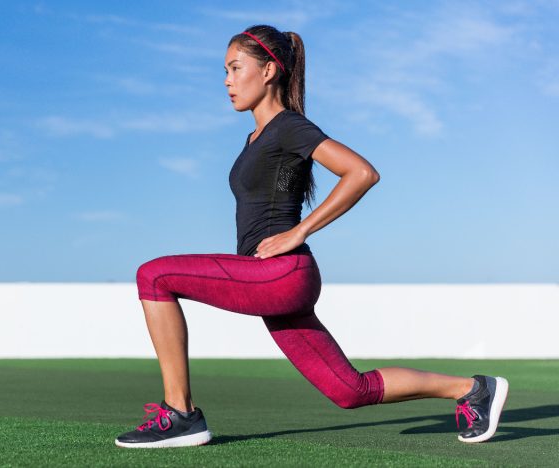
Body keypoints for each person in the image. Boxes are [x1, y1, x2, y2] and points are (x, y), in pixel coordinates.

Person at [115, 24, 508, 449]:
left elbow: (361, 172)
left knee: (154, 276)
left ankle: (181, 414)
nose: (226, 81)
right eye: (224, 71)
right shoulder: (259, 137)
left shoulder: (287, 127)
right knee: (349, 391)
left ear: (268, 71)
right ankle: (472, 389)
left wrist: (297, 232)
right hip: (273, 280)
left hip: (281, 274)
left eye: (235, 68)